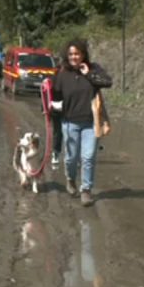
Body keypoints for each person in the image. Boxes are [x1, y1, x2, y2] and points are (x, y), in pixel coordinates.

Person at [50, 39, 112, 206]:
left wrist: (89, 74)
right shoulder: (62, 73)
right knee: (71, 158)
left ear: (83, 54)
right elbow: (54, 95)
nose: (74, 57)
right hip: (69, 122)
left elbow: (108, 82)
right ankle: (70, 180)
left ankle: (86, 190)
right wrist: (47, 92)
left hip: (91, 123)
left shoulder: (93, 69)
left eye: (77, 53)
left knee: (88, 157)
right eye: (71, 54)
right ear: (67, 56)